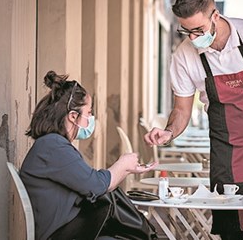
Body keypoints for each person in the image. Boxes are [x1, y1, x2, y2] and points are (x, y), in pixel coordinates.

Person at [144, 0, 243, 239]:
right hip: (227, 153)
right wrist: (168, 132)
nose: (191, 38)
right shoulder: (184, 57)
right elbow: (181, 110)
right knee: (231, 230)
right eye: (186, 31)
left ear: (215, 16)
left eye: (198, 30)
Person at [20, 71, 157, 240]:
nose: (91, 119)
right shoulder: (53, 146)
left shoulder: (52, 145)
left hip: (68, 228)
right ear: (72, 116)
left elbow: (93, 183)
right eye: (89, 113)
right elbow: (96, 185)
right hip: (60, 234)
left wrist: (126, 168)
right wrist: (122, 164)